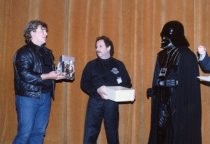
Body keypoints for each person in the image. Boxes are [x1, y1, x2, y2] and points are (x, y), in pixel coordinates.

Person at [147, 20, 201, 144]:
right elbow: (158, 77)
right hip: (163, 101)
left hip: (178, 103)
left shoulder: (187, 56)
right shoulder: (161, 55)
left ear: (174, 37)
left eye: (166, 37)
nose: (163, 39)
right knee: (161, 131)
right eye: (163, 36)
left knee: (176, 132)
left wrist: (173, 84)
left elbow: (188, 85)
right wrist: (155, 90)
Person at [13, 20, 64, 144]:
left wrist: (56, 75)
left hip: (46, 97)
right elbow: (25, 75)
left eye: (46, 31)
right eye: (42, 30)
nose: (46, 33)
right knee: (25, 133)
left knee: (39, 133)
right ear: (32, 32)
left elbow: (50, 73)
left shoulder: (47, 52)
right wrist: (48, 76)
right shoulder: (23, 52)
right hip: (28, 98)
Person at [80, 35, 132, 144]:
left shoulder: (119, 65)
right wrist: (97, 91)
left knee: (112, 134)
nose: (97, 49)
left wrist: (119, 91)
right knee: (90, 134)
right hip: (95, 102)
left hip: (111, 103)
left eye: (100, 46)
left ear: (108, 48)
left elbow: (127, 83)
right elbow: (84, 84)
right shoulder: (91, 65)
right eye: (96, 46)